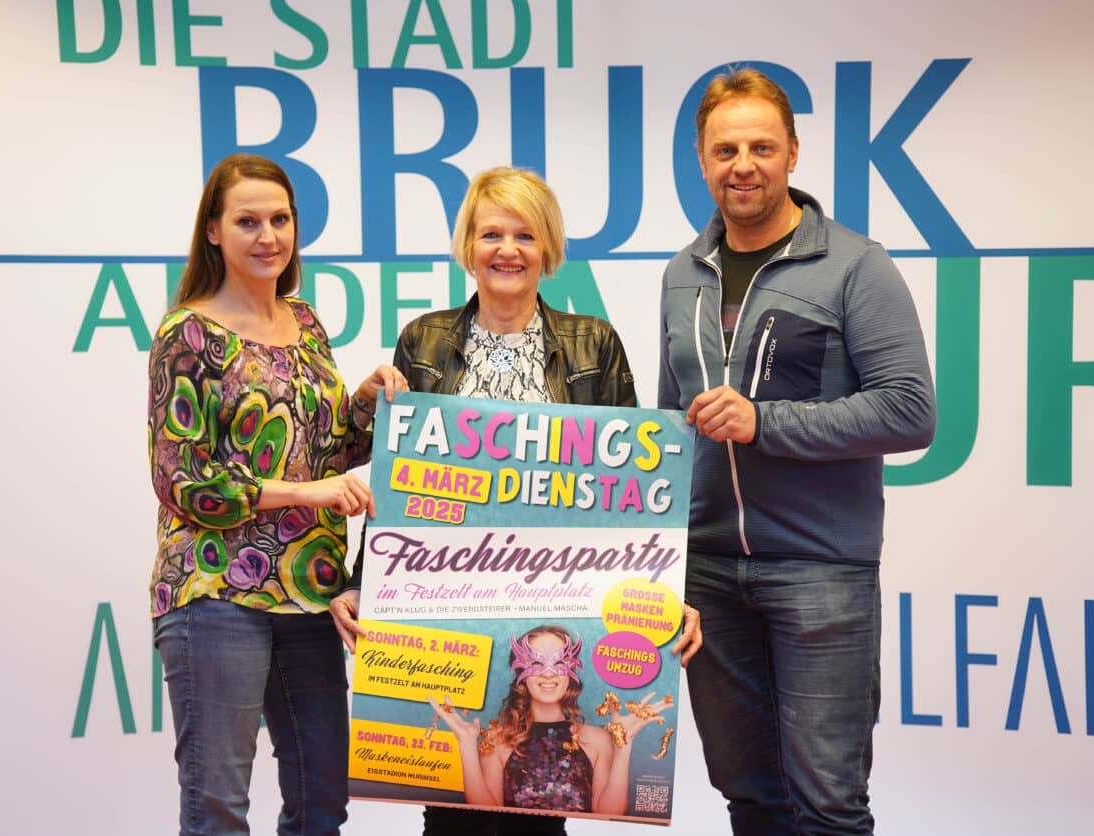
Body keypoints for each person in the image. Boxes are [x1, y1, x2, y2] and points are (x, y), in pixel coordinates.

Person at [338, 165, 703, 836]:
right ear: (468, 246)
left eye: (525, 235)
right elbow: (399, 484)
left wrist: (663, 596)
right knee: (451, 804)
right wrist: (366, 586)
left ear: (547, 248)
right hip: (444, 608)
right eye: (491, 234)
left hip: (554, 607)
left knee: (541, 809)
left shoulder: (593, 344)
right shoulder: (424, 341)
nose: (507, 250)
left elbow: (633, 495)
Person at [658, 68, 937, 834]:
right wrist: (658, 558)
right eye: (725, 150)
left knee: (829, 806)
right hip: (709, 577)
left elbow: (910, 411)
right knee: (750, 796)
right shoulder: (682, 274)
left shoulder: (855, 265)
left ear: (792, 153)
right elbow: (669, 426)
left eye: (761, 147)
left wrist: (765, 423)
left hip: (820, 570)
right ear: (702, 159)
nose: (742, 165)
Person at [147, 152, 407, 836]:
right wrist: (308, 492)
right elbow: (181, 481)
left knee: (323, 802)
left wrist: (366, 402)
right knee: (218, 808)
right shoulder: (189, 333)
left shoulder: (306, 321)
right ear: (213, 230)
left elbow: (332, 454)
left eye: (281, 219)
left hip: (310, 594)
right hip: (215, 594)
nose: (269, 236)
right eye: (248, 221)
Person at [427, 626, 672, 816]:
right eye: (535, 663)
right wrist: (466, 745)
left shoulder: (597, 740)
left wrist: (623, 746)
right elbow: (487, 813)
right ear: (519, 673)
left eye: (559, 663)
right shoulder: (498, 739)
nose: (548, 673)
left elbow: (609, 813)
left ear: (572, 670)